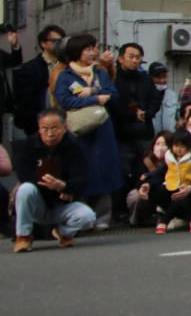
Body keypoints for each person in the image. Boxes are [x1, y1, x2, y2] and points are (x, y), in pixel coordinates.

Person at [53, 34, 123, 231]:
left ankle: (103, 219)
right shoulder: (65, 76)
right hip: (79, 130)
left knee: (104, 171)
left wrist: (92, 93)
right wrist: (94, 100)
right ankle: (82, 218)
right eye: (88, 49)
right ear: (76, 52)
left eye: (93, 49)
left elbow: (113, 96)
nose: (93, 53)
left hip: (102, 127)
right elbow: (64, 101)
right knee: (82, 170)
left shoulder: (100, 74)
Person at [10, 108, 95, 252]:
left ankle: (63, 232)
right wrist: (49, 185)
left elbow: (82, 178)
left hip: (62, 204)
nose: (49, 134)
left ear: (64, 128)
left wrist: (65, 186)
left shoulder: (75, 147)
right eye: (45, 129)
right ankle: (23, 236)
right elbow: (23, 173)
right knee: (25, 189)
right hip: (38, 203)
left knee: (88, 216)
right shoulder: (28, 145)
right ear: (39, 129)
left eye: (55, 129)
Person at [111, 42, 160, 220]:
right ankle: (120, 209)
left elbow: (155, 101)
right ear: (120, 58)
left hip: (144, 132)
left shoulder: (145, 79)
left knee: (144, 170)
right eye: (131, 56)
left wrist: (146, 114)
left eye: (138, 57)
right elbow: (112, 104)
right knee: (122, 172)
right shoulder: (114, 78)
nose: (134, 60)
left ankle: (143, 208)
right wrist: (131, 115)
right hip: (122, 133)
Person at [12, 24, 65, 137]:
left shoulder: (67, 65)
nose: (59, 44)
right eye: (54, 41)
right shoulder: (30, 69)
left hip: (63, 123)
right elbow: (25, 101)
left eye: (61, 41)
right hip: (39, 127)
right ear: (43, 43)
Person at [149, 62, 180, 135]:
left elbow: (178, 116)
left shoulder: (173, 95)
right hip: (152, 139)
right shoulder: (145, 95)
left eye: (164, 77)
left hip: (170, 138)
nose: (162, 81)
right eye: (158, 77)